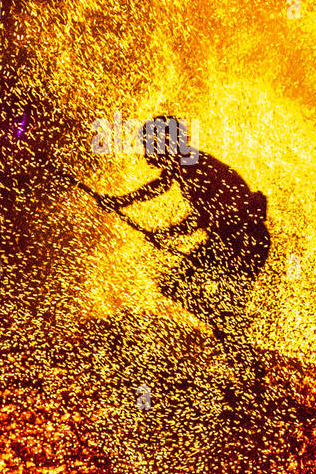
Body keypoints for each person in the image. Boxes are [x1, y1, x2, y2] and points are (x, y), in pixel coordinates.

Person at [88, 116, 271, 385]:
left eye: (148, 145)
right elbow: (159, 187)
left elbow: (202, 219)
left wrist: (165, 233)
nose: (145, 153)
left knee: (180, 287)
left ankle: (241, 357)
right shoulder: (186, 164)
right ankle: (244, 361)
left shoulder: (195, 167)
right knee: (201, 297)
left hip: (242, 243)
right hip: (239, 241)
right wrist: (119, 202)